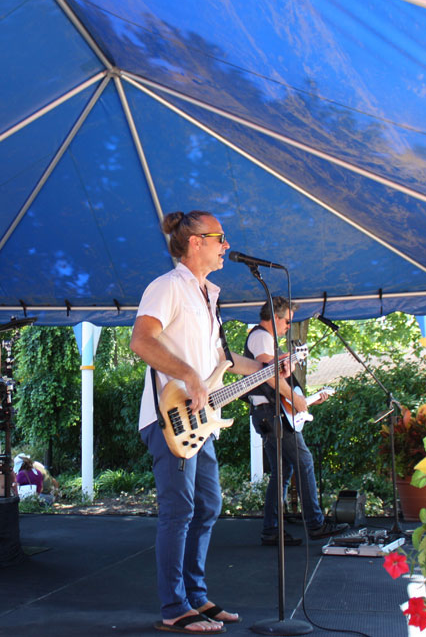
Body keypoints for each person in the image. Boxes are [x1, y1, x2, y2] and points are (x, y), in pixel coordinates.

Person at [131, 210, 278, 634]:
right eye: (219, 238)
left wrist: (270, 368)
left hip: (201, 421)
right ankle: (174, 606)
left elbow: (222, 363)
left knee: (208, 505)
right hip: (168, 419)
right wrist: (189, 377)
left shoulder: (208, 295)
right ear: (195, 241)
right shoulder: (168, 286)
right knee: (179, 510)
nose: (225, 245)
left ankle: (195, 596)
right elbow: (141, 340)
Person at [245, 296, 348, 545]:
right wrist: (295, 396)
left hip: (270, 413)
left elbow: (275, 372)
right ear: (275, 317)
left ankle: (271, 530)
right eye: (287, 321)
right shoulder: (261, 336)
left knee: (282, 473)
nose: (289, 326)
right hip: (271, 414)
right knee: (304, 461)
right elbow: (269, 375)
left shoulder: (267, 341)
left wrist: (289, 369)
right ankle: (315, 524)